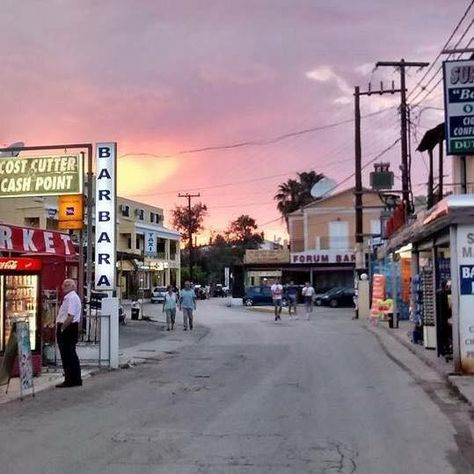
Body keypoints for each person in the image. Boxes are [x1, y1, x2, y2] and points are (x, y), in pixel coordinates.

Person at [56, 279, 82, 388]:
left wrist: (62, 328)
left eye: (64, 285)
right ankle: (76, 378)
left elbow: (70, 316)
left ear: (70, 286)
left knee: (67, 354)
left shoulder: (71, 298)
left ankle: (69, 379)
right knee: (71, 353)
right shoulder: (74, 297)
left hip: (68, 328)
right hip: (71, 328)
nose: (62, 287)